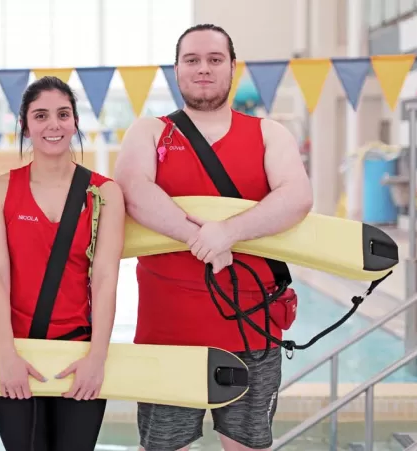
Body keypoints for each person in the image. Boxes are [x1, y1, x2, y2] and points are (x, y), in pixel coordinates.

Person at [114, 24, 313, 451]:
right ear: (177, 69)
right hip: (167, 335)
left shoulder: (268, 134)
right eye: (192, 60)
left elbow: (297, 197)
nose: (203, 69)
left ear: (232, 68)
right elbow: (133, 191)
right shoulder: (149, 131)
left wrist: (229, 232)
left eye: (214, 60)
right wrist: (201, 238)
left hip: (252, 330)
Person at [0, 76, 125, 451]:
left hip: (78, 354)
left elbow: (106, 277)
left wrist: (97, 357)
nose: (53, 125)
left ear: (75, 122)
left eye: (63, 114)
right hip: (18, 354)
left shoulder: (105, 193)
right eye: (40, 116)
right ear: (25, 125)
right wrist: (6, 354)